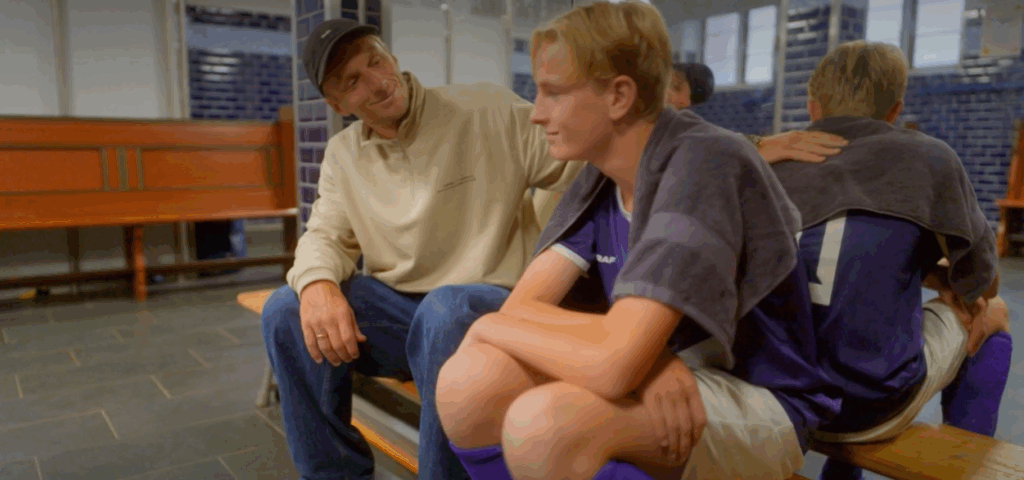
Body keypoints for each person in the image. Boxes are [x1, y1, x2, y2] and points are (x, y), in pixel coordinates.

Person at [435, 2, 843, 479]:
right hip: (658, 370)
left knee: (545, 425)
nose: (536, 115)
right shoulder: (600, 177)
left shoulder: (704, 161)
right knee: (470, 383)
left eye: (554, 93)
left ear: (619, 96)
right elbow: (523, 309)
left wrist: (491, 326)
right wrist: (648, 362)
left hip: (759, 396)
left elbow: (606, 364)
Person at [259, 19, 584, 480]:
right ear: (337, 105)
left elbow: (578, 162)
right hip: (403, 316)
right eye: (352, 81)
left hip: (490, 308)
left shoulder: (485, 108)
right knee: (285, 310)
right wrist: (316, 285)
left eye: (376, 61)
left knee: (446, 309)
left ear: (391, 56)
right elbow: (324, 235)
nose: (377, 82)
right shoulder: (343, 154)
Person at [764, 40, 1012, 480]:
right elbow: (982, 282)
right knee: (994, 312)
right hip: (870, 408)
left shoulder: (774, 160)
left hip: (774, 397)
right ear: (895, 112)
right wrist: (943, 278)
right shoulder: (930, 157)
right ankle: (966, 463)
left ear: (812, 107)